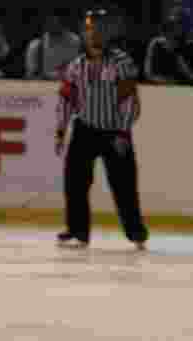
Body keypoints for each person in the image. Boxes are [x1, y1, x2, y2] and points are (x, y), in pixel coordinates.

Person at [55, 8, 149, 250]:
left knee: (124, 185)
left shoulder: (122, 63)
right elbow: (66, 100)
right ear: (84, 33)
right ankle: (78, 232)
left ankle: (136, 232)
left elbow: (130, 102)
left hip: (114, 132)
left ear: (108, 32)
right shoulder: (75, 66)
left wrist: (122, 132)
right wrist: (61, 130)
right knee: (74, 182)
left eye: (100, 28)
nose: (95, 33)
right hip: (84, 129)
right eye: (90, 28)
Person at [25, 15, 82, 81]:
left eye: (56, 20)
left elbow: (80, 70)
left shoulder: (75, 42)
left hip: (69, 85)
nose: (53, 23)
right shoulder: (35, 46)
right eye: (50, 20)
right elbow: (31, 75)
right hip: (44, 86)